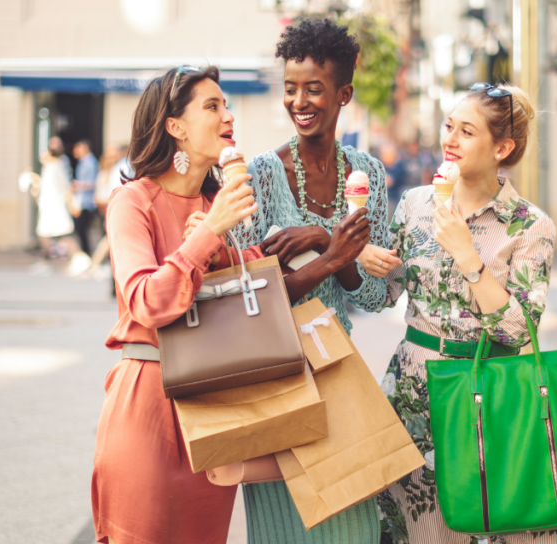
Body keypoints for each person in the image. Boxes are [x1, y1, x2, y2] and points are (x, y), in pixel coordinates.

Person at [360, 84, 557, 544]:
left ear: (502, 148)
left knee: (509, 513)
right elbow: (381, 297)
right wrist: (362, 261)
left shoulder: (530, 225)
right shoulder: (414, 205)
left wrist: (469, 258)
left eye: (466, 131)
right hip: (416, 390)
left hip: (493, 390)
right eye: (450, 126)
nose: (449, 138)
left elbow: (517, 328)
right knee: (427, 528)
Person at [227, 17, 385, 544]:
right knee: (282, 529)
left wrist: (326, 242)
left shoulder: (368, 173)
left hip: (339, 370)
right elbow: (246, 295)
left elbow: (377, 295)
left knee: (353, 524)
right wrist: (327, 257)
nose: (300, 101)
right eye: (291, 88)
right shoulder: (261, 174)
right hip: (276, 375)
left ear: (343, 94)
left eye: (314, 89)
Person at [93, 65, 262, 544]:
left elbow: (257, 278)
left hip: (217, 404)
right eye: (212, 106)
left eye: (226, 105)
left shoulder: (227, 202)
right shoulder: (132, 202)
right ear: (175, 127)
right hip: (148, 401)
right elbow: (147, 300)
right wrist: (209, 234)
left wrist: (228, 245)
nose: (228, 116)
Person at [35, 137, 77, 260]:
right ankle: (46, 260)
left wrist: (71, 203)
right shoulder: (47, 167)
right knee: (46, 234)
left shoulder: (59, 165)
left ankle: (79, 258)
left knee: (62, 234)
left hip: (56, 206)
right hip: (47, 205)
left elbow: (66, 186)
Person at [72, 139, 99, 255]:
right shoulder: (83, 162)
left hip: (87, 202)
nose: (74, 151)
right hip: (82, 201)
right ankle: (85, 252)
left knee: (81, 228)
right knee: (81, 228)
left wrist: (78, 185)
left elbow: (93, 183)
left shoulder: (90, 162)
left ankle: (86, 253)